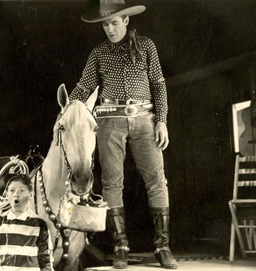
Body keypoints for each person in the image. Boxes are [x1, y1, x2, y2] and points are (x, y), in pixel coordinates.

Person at [69, 0, 177, 269]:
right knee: (112, 184)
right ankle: (120, 247)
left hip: (144, 120)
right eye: (105, 24)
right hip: (110, 123)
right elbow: (83, 88)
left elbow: (159, 84)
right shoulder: (98, 53)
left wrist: (162, 121)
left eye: (114, 22)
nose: (110, 29)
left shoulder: (147, 47)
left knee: (157, 180)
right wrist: (66, 111)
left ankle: (162, 246)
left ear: (126, 21)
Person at [0, 174, 54, 271]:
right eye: (12, 190)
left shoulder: (39, 224)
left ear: (30, 195)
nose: (16, 194)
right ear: (6, 194)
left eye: (21, 190)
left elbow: (46, 260)